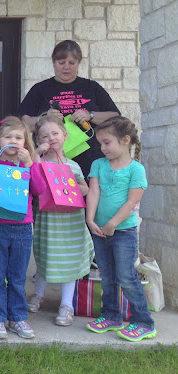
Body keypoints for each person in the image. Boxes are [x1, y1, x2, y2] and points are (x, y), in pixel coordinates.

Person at [85, 116, 156, 342]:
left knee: (126, 276)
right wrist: (90, 220)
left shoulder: (136, 170)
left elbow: (132, 202)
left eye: (107, 142)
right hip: (99, 230)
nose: (102, 148)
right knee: (107, 276)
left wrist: (113, 224)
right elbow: (93, 192)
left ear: (125, 140)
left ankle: (143, 322)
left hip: (123, 231)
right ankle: (111, 316)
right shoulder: (98, 165)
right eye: (100, 143)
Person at [0, 116, 46, 340]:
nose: (13, 141)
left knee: (17, 277)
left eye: (18, 137)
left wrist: (30, 164)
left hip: (23, 227)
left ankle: (17, 318)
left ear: (25, 142)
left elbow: (39, 189)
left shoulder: (28, 165)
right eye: (8, 137)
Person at [18, 40, 120, 177]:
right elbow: (22, 123)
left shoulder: (92, 87)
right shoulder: (40, 89)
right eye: (61, 63)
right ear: (54, 63)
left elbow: (115, 117)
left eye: (72, 63)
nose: (66, 67)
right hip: (50, 160)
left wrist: (90, 115)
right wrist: (44, 118)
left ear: (78, 63)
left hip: (91, 159)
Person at [28, 114, 93, 327]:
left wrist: (73, 187)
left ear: (65, 135)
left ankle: (66, 305)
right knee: (45, 257)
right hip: (48, 221)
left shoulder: (73, 166)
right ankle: (38, 294)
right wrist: (37, 152)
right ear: (38, 140)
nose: (51, 138)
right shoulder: (39, 163)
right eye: (44, 136)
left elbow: (85, 189)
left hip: (71, 222)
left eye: (55, 133)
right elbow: (32, 172)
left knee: (69, 261)